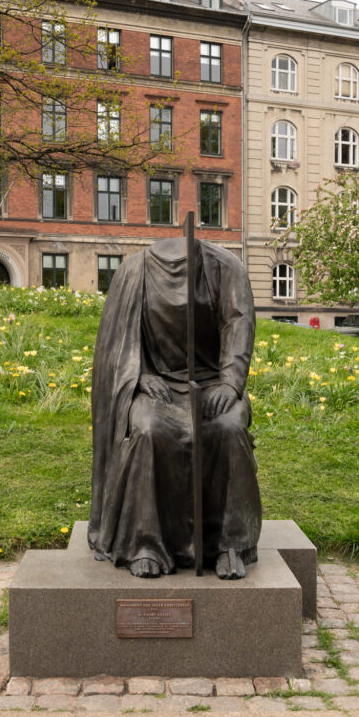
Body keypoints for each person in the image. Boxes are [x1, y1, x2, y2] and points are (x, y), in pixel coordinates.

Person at [88, 236, 261, 580]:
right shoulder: (134, 271)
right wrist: (138, 378)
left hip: (214, 384)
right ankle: (145, 543)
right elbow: (116, 346)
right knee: (149, 429)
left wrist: (229, 383)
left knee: (227, 429)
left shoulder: (227, 268)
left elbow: (238, 324)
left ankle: (230, 544)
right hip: (156, 385)